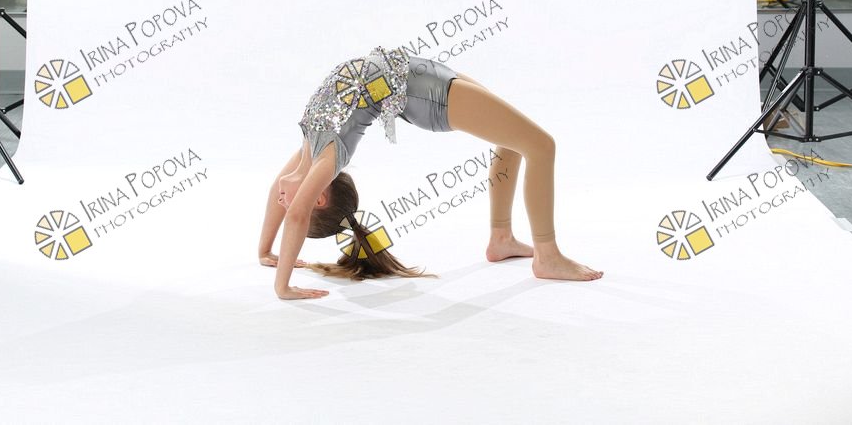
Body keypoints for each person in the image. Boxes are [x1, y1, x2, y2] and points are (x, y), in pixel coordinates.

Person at [258, 45, 603, 300]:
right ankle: (547, 255)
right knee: (542, 146)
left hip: (419, 73)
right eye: (290, 205)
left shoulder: (308, 148)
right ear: (318, 198)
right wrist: (283, 286)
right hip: (427, 95)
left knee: (511, 140)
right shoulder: (328, 159)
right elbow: (298, 215)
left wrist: (265, 250)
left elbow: (281, 194)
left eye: (285, 204)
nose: (283, 202)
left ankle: (501, 239)